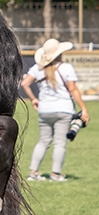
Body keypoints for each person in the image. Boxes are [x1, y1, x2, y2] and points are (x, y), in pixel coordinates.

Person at [20, 38, 90, 182]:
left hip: (44, 110)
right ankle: (56, 174)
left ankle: (33, 173)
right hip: (63, 109)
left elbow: (25, 83)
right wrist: (84, 109)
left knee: (43, 141)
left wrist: (33, 99)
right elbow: (73, 90)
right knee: (59, 143)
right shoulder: (66, 68)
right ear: (60, 52)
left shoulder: (38, 68)